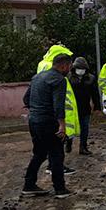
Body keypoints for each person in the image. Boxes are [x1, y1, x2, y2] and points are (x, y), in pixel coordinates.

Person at [22, 53, 73, 198]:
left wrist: (35, 110)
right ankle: (60, 189)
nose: (69, 69)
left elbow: (25, 98)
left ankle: (29, 184)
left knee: (39, 153)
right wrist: (62, 126)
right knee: (56, 154)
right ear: (63, 65)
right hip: (48, 123)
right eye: (69, 66)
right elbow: (58, 106)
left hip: (34, 121)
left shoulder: (37, 77)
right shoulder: (59, 80)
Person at [37, 45, 79, 175]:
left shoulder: (43, 65)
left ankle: (53, 165)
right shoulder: (52, 70)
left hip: (48, 110)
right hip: (58, 110)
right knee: (57, 141)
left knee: (53, 143)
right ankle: (56, 168)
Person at [68, 57, 100, 155]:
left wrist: (97, 106)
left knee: (84, 128)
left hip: (85, 107)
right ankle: (68, 143)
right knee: (70, 128)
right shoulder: (68, 77)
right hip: (72, 108)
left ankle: (83, 147)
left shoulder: (91, 78)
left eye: (83, 68)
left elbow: (95, 93)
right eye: (79, 68)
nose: (81, 70)